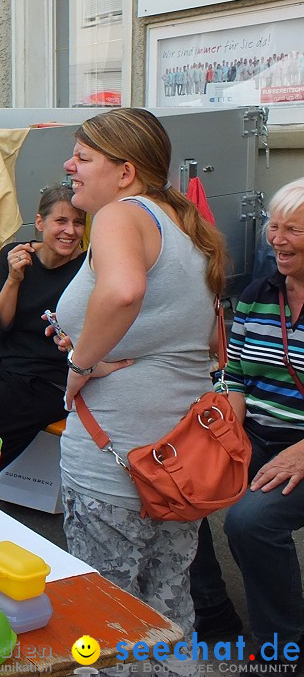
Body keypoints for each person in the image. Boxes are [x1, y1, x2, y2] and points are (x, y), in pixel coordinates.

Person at [54, 108, 227, 637]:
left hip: (115, 464)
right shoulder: (183, 225)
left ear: (125, 172)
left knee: (104, 623)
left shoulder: (120, 215)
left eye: (83, 157)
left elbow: (124, 291)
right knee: (166, 614)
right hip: (179, 461)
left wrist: (80, 365)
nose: (70, 166)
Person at [190, 177, 304, 649]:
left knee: (250, 521)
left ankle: (282, 642)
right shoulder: (262, 292)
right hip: (256, 431)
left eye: (293, 230)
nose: (277, 239)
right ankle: (213, 612)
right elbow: (232, 371)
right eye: (274, 228)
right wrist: (227, 429)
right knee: (179, 488)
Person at [0, 185, 87, 467]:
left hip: (47, 379)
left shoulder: (87, 269)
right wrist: (13, 279)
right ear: (40, 222)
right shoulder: (16, 255)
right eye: (61, 221)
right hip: (0, 362)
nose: (70, 231)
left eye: (78, 223)